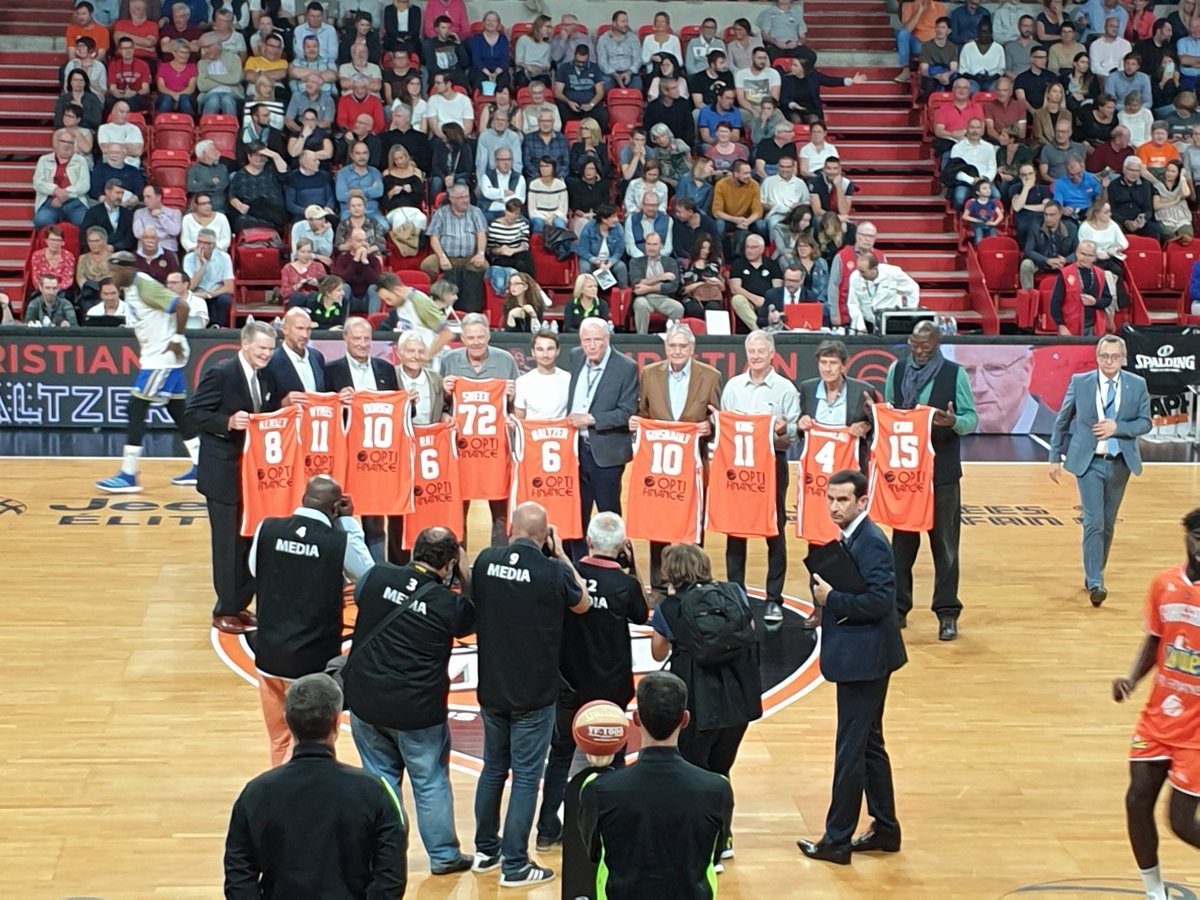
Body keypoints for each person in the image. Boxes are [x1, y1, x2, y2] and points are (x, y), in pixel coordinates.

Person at [471, 501, 590, 886]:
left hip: (492, 686)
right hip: (534, 692)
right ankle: (516, 864)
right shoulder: (553, 571)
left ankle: (486, 850)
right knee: (525, 777)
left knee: (492, 769)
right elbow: (583, 603)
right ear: (545, 537)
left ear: (511, 531)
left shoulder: (487, 561)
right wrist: (560, 556)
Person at [345, 526, 475, 875]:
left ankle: (383, 858)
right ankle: (444, 856)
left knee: (380, 782)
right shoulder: (447, 604)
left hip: (366, 702)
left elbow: (359, 597)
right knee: (429, 781)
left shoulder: (376, 576)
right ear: (448, 564)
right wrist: (465, 572)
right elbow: (470, 617)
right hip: (417, 711)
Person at [798, 469, 907, 865]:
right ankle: (886, 829)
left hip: (866, 661)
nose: (834, 506)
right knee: (869, 744)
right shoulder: (852, 538)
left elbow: (881, 603)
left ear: (863, 501)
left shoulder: (872, 543)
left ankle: (837, 840)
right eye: (830, 498)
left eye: (843, 500)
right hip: (866, 657)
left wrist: (832, 599)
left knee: (851, 749)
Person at [222, 674, 408, 897]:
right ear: (336, 723)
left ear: (287, 721)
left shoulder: (255, 794)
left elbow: (238, 877)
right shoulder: (374, 791)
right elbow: (391, 877)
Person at [535, 511, 648, 851]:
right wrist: (634, 565)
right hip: (611, 686)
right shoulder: (625, 585)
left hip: (570, 682)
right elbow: (643, 612)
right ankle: (610, 830)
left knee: (560, 755)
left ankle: (546, 830)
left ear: (588, 541)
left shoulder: (569, 575)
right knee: (613, 757)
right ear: (622, 547)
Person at [248, 475, 371, 767]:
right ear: (335, 508)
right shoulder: (337, 542)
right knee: (310, 746)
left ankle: (279, 799)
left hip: (268, 656)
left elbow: (255, 568)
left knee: (279, 740)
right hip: (311, 662)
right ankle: (301, 804)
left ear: (303, 499)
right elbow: (368, 576)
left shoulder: (267, 528)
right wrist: (350, 523)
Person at [650, 542, 762, 861]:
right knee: (720, 770)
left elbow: (658, 652)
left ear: (671, 573)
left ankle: (699, 847)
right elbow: (749, 630)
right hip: (739, 702)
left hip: (698, 706)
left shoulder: (669, 608)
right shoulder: (735, 594)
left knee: (693, 773)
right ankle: (723, 840)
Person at [1111, 509, 1200, 900]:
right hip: (1159, 716)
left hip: (1197, 730)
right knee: (1136, 800)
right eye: (1198, 536)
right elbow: (1154, 640)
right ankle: (1154, 891)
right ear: (1186, 536)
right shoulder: (1163, 584)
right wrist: (1132, 679)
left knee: (1181, 823)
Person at [579, 671, 733, 895]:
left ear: (636, 719)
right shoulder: (717, 788)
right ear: (685, 720)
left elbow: (592, 852)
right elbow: (716, 851)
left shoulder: (597, 789)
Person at [883, 321, 979, 641]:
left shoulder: (955, 374)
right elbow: (888, 413)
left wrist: (953, 421)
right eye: (915, 344)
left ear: (938, 343)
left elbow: (971, 420)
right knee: (901, 549)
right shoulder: (896, 371)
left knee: (946, 549)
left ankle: (947, 613)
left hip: (942, 475)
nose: (920, 350)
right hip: (906, 475)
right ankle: (898, 609)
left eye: (927, 345)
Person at [186, 320, 278, 635]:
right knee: (226, 544)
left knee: (245, 541)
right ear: (245, 343)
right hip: (222, 472)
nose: (267, 354)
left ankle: (240, 604)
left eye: (270, 349)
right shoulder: (222, 373)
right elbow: (194, 414)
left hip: (251, 475)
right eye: (262, 348)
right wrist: (227, 421)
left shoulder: (265, 375)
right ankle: (223, 610)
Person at [1049, 335, 1151, 606]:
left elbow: (1145, 423)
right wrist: (1053, 456)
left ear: (1124, 358)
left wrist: (1118, 428)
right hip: (1089, 462)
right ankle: (1096, 581)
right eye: (1104, 356)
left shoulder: (1137, 384)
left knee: (1107, 522)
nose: (1109, 362)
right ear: (1097, 357)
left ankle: (1094, 570)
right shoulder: (1080, 383)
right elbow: (1062, 419)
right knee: (1093, 521)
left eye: (1115, 357)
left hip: (1120, 462)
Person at [95, 253, 200, 493]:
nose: (110, 277)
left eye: (114, 272)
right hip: (159, 356)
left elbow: (181, 305)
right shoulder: (131, 287)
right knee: (178, 410)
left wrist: (177, 337)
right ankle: (202, 466)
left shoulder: (145, 286)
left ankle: (128, 474)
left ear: (127, 269)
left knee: (136, 407)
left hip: (162, 357)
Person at [720, 330, 800, 626]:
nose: (755, 356)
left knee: (774, 531)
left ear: (771, 355)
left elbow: (793, 435)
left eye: (760, 351)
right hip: (739, 468)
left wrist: (780, 431)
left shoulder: (785, 389)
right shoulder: (732, 387)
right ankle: (735, 596)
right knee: (735, 531)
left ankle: (774, 599)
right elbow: (725, 430)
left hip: (772, 466)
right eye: (750, 351)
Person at [636, 323, 723, 589]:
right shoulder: (649, 374)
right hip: (658, 463)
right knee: (658, 519)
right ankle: (660, 584)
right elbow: (644, 412)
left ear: (692, 349)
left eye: (682, 346)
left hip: (694, 460)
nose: (677, 351)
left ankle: (693, 580)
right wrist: (636, 422)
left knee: (693, 521)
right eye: (672, 346)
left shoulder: (710, 376)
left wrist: (710, 425)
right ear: (665, 348)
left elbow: (718, 415)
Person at [564, 318, 639, 558]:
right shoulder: (576, 357)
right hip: (574, 450)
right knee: (576, 511)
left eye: (598, 340)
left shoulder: (626, 367)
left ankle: (614, 562)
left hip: (607, 451)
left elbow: (626, 412)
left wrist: (591, 419)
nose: (592, 345)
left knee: (608, 513)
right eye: (587, 340)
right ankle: (577, 564)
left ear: (607, 339)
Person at [420, 184, 488, 313]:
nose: (465, 200)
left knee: (483, 265)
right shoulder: (441, 214)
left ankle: (471, 307)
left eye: (467, 196)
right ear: (451, 199)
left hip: (470, 257)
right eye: (461, 197)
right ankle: (436, 299)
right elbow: (434, 237)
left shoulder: (476, 212)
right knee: (427, 265)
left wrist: (480, 253)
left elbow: (481, 234)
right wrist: (442, 257)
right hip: (447, 256)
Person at [846, 255, 921, 334]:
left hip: (891, 323)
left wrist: (909, 314)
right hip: (867, 323)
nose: (860, 274)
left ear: (874, 269)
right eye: (859, 270)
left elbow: (913, 289)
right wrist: (860, 326)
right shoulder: (855, 277)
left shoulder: (893, 273)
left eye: (863, 271)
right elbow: (853, 303)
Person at [629, 232, 682, 334]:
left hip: (663, 298)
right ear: (645, 245)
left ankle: (671, 337)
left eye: (655, 244)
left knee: (678, 308)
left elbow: (673, 286)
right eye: (649, 244)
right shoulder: (636, 262)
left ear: (661, 246)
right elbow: (637, 283)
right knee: (640, 304)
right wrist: (661, 277)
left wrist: (648, 288)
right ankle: (642, 338)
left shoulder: (671, 262)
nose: (651, 248)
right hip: (644, 298)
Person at [513, 329, 571, 420]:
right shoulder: (522, 382)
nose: (545, 354)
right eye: (540, 349)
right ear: (533, 352)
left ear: (558, 351)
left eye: (550, 349)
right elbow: (519, 420)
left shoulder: (569, 379)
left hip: (562, 432)